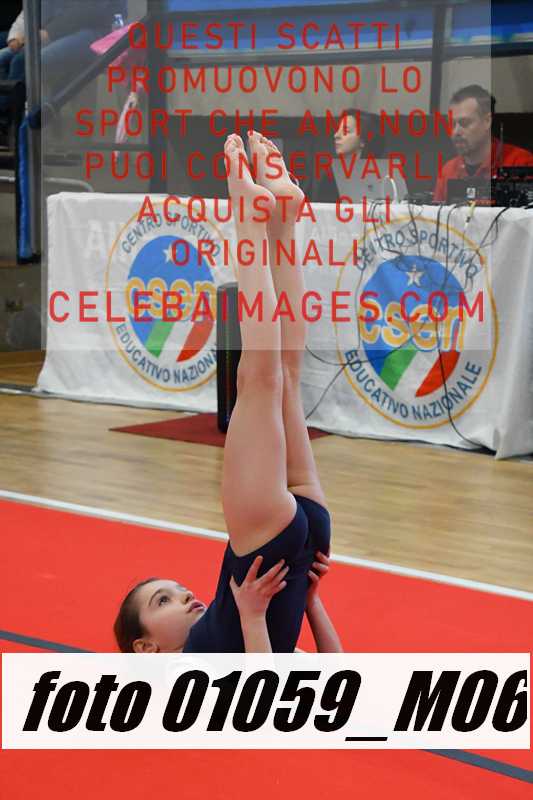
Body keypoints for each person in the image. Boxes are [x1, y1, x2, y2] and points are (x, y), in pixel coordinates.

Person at [114, 132, 342, 654]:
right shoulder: (185, 671)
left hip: (298, 541)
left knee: (283, 374)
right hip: (270, 550)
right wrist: (294, 608)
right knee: (263, 378)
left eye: (173, 591)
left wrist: (283, 607)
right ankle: (251, 216)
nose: (185, 595)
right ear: (145, 648)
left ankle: (282, 220)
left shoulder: (206, 638)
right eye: (164, 601)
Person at [433, 84, 533, 202]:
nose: (456, 132)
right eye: (452, 124)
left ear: (487, 121)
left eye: (464, 123)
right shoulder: (448, 171)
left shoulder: (521, 162)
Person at [313, 108, 392, 203]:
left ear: (363, 139)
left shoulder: (384, 176)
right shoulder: (330, 177)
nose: (336, 135)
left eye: (346, 131)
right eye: (338, 130)